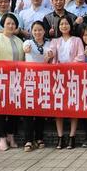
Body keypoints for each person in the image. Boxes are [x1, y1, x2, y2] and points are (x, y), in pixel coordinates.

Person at [0, 14, 25, 151]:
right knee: (1, 109)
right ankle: (2, 137)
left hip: (16, 79)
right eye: (8, 23)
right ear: (3, 24)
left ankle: (11, 135)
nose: (11, 26)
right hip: (1, 79)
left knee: (14, 109)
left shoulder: (19, 41)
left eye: (13, 24)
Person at [47, 16, 85, 149]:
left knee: (73, 106)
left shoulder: (77, 40)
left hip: (73, 76)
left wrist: (68, 66)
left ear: (70, 25)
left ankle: (72, 136)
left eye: (66, 23)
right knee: (59, 108)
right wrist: (50, 54)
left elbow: (81, 57)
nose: (64, 26)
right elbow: (51, 52)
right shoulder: (55, 41)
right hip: (58, 77)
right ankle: (60, 137)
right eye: (61, 24)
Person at [21, 21, 50, 151]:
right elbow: (25, 49)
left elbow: (51, 53)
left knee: (40, 110)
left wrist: (50, 55)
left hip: (43, 80)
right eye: (35, 30)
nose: (38, 32)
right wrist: (26, 49)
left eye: (40, 30)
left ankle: (39, 137)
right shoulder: (28, 42)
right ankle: (28, 139)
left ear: (44, 31)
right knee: (28, 111)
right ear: (31, 32)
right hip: (29, 80)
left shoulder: (49, 43)